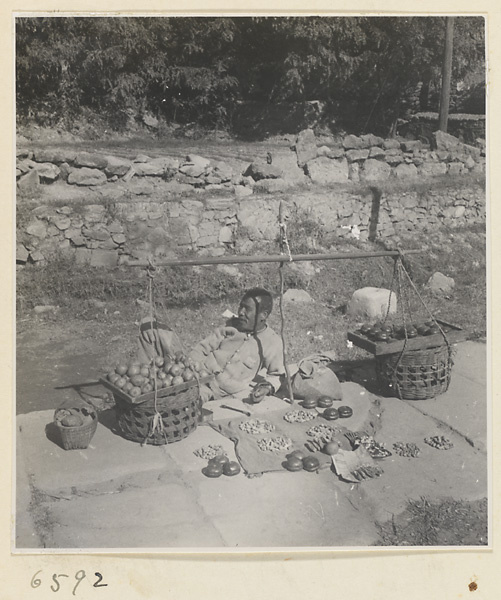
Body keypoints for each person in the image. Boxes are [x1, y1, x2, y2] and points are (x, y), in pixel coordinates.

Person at [138, 288, 285, 404]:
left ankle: (151, 396)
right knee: (152, 329)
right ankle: (144, 381)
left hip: (211, 390)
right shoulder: (231, 325)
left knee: (180, 401)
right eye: (240, 307)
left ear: (263, 315)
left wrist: (265, 388)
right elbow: (203, 348)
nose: (240, 312)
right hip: (192, 372)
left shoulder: (272, 341)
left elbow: (277, 375)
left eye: (247, 309)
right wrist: (185, 366)